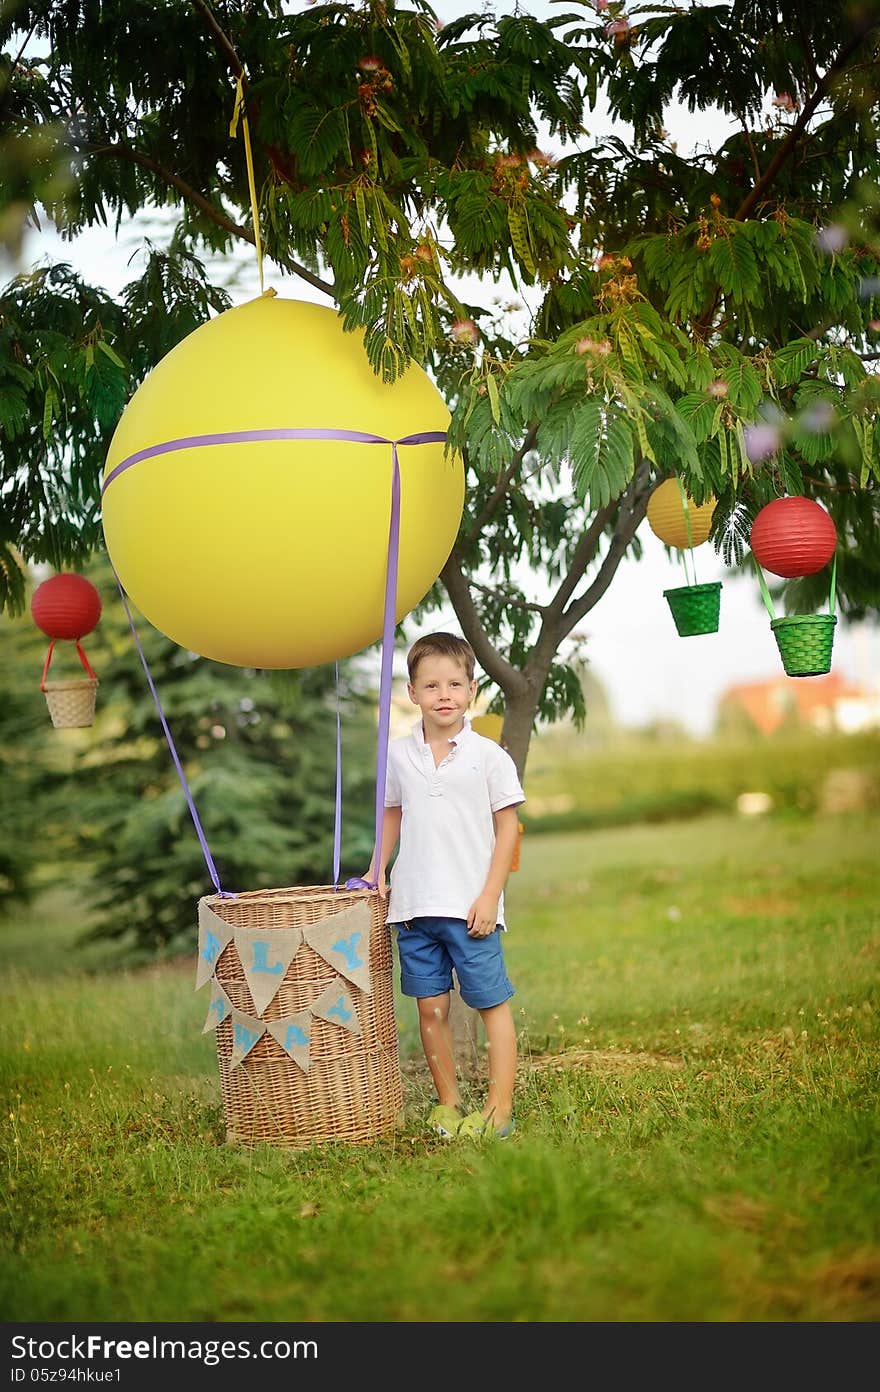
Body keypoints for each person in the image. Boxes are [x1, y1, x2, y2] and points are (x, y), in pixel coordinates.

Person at [362, 632, 525, 1140]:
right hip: (414, 906)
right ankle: (449, 1103)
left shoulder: (488, 756)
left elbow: (507, 830)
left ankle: (499, 1110)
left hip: (470, 907)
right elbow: (391, 813)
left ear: (472, 690)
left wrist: (489, 895)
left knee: (489, 1004)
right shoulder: (399, 755)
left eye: (455, 683)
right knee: (430, 1007)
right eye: (431, 685)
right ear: (413, 693)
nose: (444, 694)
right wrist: (376, 869)